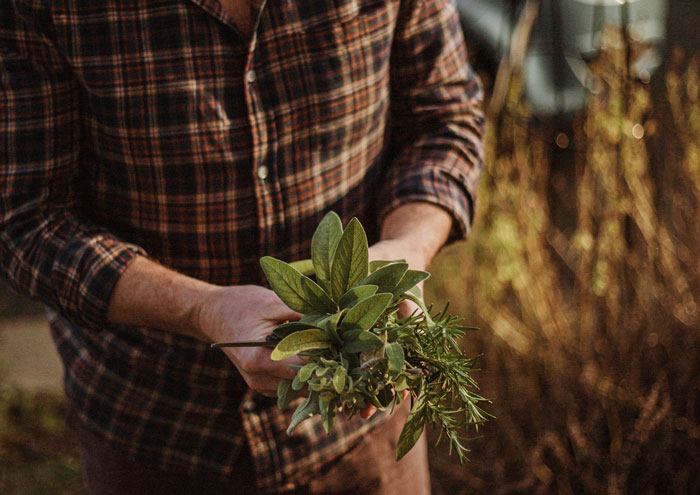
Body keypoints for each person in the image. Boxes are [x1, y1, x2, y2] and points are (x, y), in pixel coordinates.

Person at [0, 0, 484, 493]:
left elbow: (443, 118)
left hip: (361, 414)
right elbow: (26, 220)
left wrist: (405, 249)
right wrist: (204, 310)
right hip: (159, 429)